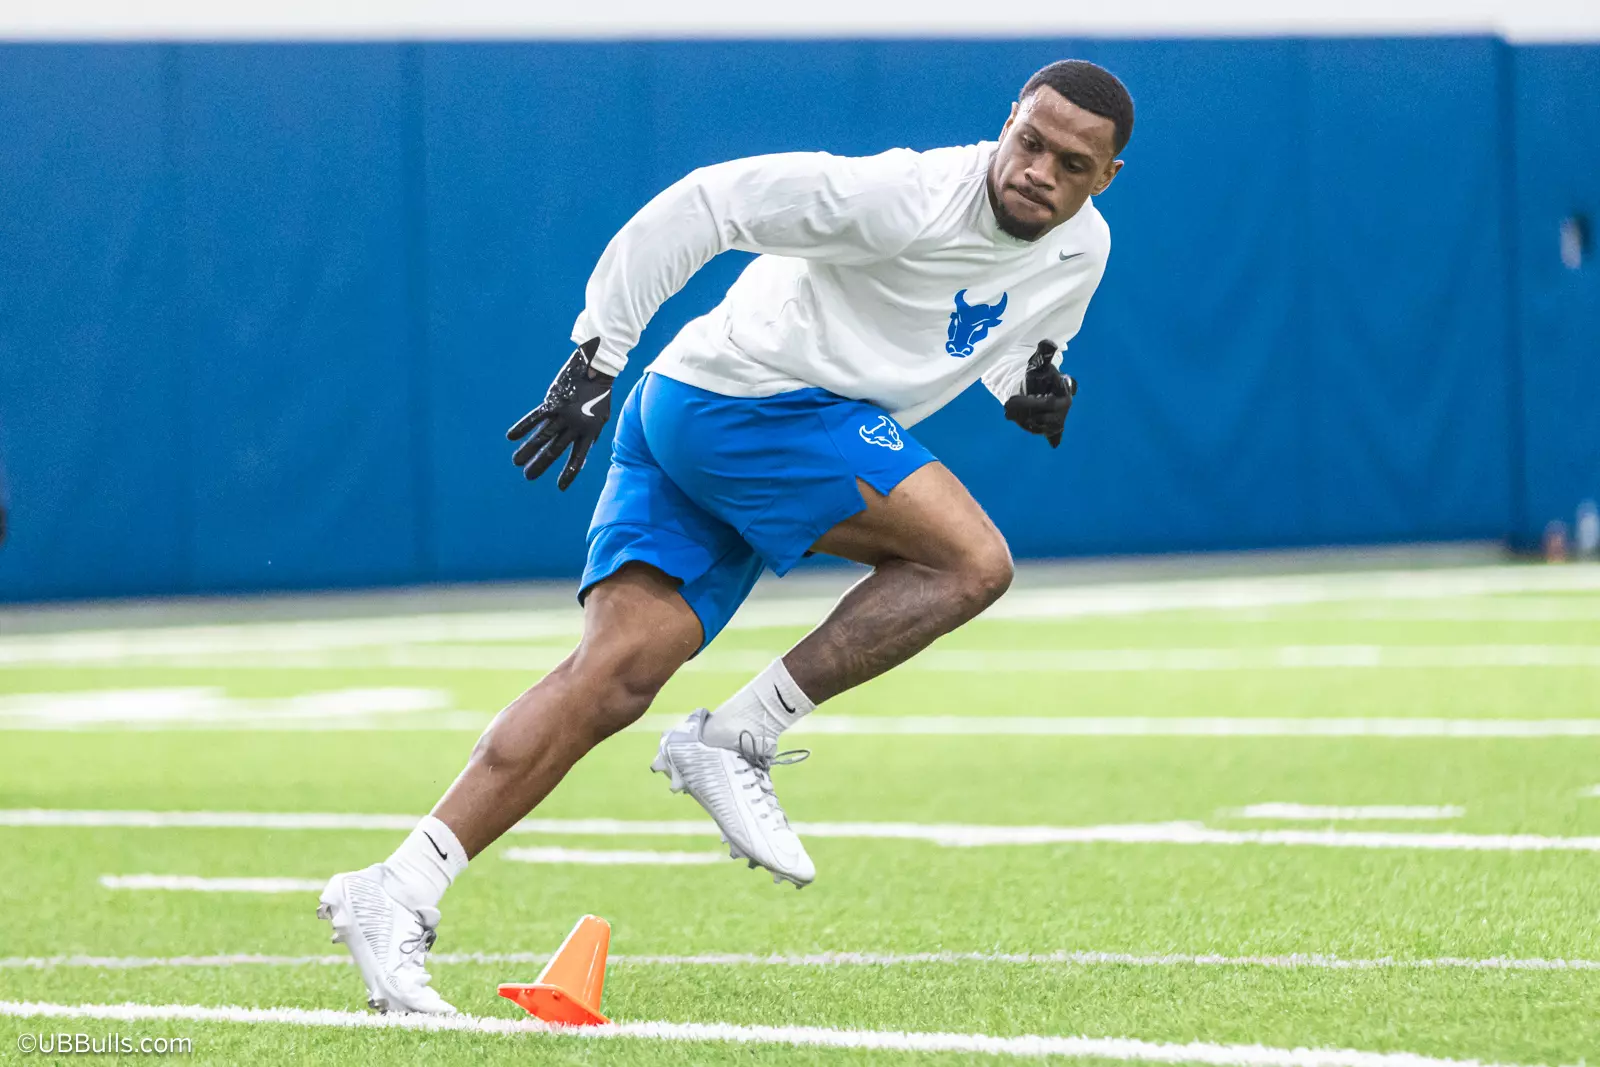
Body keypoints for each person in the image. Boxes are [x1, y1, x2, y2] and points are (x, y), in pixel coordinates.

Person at [318, 59, 1132, 1015]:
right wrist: (596, 352)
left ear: (1105, 177)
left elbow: (1010, 336)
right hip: (750, 406)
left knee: (611, 679)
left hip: (697, 403)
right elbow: (710, 202)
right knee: (971, 562)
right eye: (1030, 142)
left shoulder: (1082, 248)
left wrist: (1026, 386)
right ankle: (741, 734)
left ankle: (397, 886)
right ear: (1008, 122)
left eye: (1071, 164)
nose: (1039, 171)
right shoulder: (903, 197)